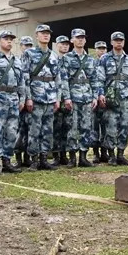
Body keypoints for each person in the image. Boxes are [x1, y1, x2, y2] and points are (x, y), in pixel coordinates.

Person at [21, 24, 64, 171]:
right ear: (37, 35)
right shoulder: (29, 53)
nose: (46, 35)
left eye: (48, 33)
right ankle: (34, 160)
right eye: (42, 33)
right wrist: (28, 98)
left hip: (50, 98)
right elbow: (25, 76)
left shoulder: (54, 55)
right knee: (34, 130)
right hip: (36, 97)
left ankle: (44, 158)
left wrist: (58, 98)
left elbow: (58, 78)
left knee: (47, 130)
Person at [0, 30, 26, 175]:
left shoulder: (17, 61)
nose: (9, 41)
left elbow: (21, 82)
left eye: (11, 39)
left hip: (13, 99)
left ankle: (7, 160)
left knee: (12, 131)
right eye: (6, 38)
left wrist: (22, 99)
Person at [96, 32, 128, 165]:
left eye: (121, 40)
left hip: (125, 98)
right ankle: (111, 155)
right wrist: (100, 94)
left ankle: (121, 154)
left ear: (124, 42)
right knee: (110, 127)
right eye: (116, 40)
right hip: (110, 98)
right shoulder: (104, 58)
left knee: (124, 126)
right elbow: (99, 79)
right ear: (111, 42)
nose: (119, 42)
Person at [59, 28, 100, 168]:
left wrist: (95, 97)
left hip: (87, 97)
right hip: (73, 98)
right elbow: (64, 80)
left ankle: (83, 157)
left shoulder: (91, 59)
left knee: (86, 127)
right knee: (72, 127)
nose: (81, 39)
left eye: (83, 37)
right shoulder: (66, 58)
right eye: (78, 37)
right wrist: (66, 98)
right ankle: (72, 158)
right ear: (72, 40)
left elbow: (94, 79)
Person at [13, 35, 35, 168]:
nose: (28, 48)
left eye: (30, 45)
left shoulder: (34, 61)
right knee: (19, 131)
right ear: (21, 46)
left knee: (29, 130)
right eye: (25, 45)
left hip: (31, 100)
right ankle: (18, 158)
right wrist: (22, 99)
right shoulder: (16, 61)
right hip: (20, 101)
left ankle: (27, 157)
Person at [51, 35, 73, 166]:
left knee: (67, 127)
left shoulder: (70, 60)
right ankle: (55, 155)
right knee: (56, 127)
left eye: (66, 44)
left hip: (69, 98)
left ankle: (64, 154)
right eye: (62, 44)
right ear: (57, 45)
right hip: (55, 98)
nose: (65, 46)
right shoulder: (52, 59)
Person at [90, 41, 108, 163]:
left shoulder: (109, 62)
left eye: (103, 48)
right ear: (95, 50)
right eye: (99, 48)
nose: (102, 50)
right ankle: (96, 153)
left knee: (106, 126)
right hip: (94, 99)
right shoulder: (91, 62)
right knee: (94, 127)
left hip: (107, 98)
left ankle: (105, 152)